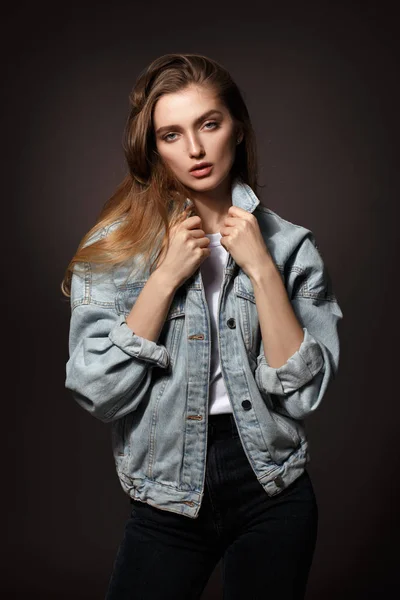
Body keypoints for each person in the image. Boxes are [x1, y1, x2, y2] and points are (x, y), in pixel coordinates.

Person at [62, 53, 343, 600]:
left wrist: (261, 268)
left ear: (237, 128)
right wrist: (163, 278)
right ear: (153, 148)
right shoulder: (115, 249)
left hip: (272, 485)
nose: (194, 149)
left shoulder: (290, 249)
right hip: (166, 490)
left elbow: (305, 396)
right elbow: (97, 392)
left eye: (208, 125)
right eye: (172, 134)